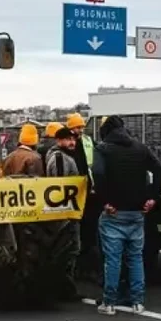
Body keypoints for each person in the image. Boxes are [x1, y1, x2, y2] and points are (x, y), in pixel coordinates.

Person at [92, 116, 161, 316]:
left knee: (113, 259)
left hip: (113, 212)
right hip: (137, 212)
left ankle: (109, 302)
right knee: (135, 258)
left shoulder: (103, 149)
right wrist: (153, 197)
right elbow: (158, 169)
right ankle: (138, 302)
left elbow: (97, 172)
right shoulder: (140, 148)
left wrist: (104, 199)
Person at [45, 126, 83, 301]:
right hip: (65, 213)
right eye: (68, 139)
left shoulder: (62, 156)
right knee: (67, 250)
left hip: (66, 211)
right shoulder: (60, 158)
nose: (72, 142)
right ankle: (64, 289)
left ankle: (64, 288)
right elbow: (59, 186)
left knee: (68, 250)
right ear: (59, 140)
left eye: (74, 140)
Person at [67, 113, 101, 282]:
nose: (79, 130)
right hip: (76, 194)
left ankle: (86, 267)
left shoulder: (88, 142)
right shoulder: (67, 144)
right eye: (76, 127)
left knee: (89, 233)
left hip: (89, 193)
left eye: (81, 127)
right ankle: (79, 268)